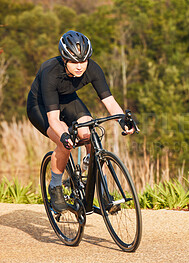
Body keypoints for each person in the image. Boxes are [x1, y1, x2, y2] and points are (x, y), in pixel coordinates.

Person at [27, 30, 135, 212]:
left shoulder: (92, 68)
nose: (80, 66)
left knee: (90, 133)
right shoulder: (50, 71)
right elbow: (53, 118)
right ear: (64, 59)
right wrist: (63, 135)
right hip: (41, 106)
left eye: (83, 61)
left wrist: (122, 120)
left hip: (68, 100)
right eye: (74, 62)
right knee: (65, 144)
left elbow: (109, 101)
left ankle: (99, 187)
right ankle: (55, 187)